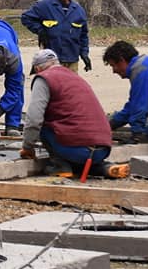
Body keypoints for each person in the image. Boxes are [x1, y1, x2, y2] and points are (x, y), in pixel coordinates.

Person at [19, 49, 129, 179]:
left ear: (37, 68)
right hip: (103, 149)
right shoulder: (74, 77)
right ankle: (106, 168)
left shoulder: (44, 78)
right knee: (80, 159)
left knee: (44, 125)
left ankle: (60, 166)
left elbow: (34, 119)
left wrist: (27, 147)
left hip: (77, 150)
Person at [20, 0, 90, 73]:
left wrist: (84, 54)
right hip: (50, 61)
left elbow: (83, 35)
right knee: (50, 87)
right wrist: (40, 30)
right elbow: (26, 17)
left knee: (70, 88)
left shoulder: (79, 11)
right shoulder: (44, 6)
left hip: (71, 61)